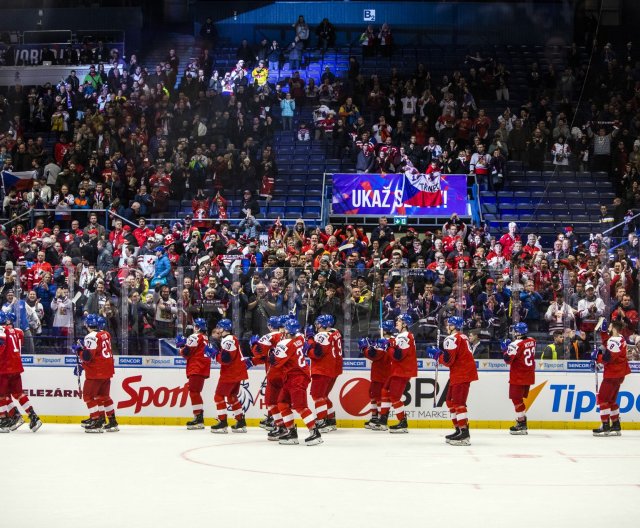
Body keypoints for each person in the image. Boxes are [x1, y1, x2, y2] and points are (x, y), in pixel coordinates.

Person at [269, 318, 323, 445]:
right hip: (292, 376)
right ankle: (291, 432)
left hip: (297, 377)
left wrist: (271, 353)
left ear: (287, 330)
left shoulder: (285, 343)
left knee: (300, 406)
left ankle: (314, 432)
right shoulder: (300, 338)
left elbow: (275, 363)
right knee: (282, 402)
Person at [426, 316, 478, 446]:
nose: (447, 326)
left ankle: (464, 434)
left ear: (455, 326)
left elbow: (449, 361)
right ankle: (458, 430)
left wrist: (437, 356)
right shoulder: (463, 337)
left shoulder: (451, 338)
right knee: (450, 401)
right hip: (459, 373)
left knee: (459, 403)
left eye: (449, 324)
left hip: (462, 374)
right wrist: (440, 354)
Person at [72, 314, 118, 433]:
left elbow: (87, 357)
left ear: (87, 324)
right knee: (103, 396)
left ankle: (96, 420)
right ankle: (111, 421)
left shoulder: (90, 336)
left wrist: (79, 350)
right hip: (107, 370)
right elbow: (98, 351)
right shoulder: (105, 334)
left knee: (88, 396)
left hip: (96, 372)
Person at [374, 313, 417, 433]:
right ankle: (383, 419)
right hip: (397, 370)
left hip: (402, 370)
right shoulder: (401, 336)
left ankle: (402, 422)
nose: (396, 323)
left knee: (394, 397)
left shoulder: (404, 336)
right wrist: (389, 345)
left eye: (399, 321)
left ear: (405, 324)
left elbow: (398, 356)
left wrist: (388, 347)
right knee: (385, 391)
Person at [0, 312, 42, 433]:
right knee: (18, 393)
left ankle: (4, 419)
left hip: (4, 368)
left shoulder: (2, 330)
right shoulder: (18, 331)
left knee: (1, 395)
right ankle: (32, 416)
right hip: (16, 366)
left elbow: (1, 347)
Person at [592, 320, 631, 436]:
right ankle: (615, 424)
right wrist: (603, 332)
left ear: (613, 328)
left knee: (603, 399)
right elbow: (607, 343)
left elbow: (609, 358)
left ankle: (605, 425)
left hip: (612, 374)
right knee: (611, 400)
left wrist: (597, 357)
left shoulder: (615, 341)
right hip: (618, 374)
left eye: (609, 327)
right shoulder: (620, 338)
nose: (608, 328)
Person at [247, 315, 285, 433]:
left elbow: (258, 353)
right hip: (286, 372)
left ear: (269, 326)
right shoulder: (287, 336)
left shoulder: (269, 336)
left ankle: (278, 423)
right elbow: (267, 356)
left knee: (271, 400)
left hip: (274, 372)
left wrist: (253, 345)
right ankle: (275, 420)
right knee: (281, 400)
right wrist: (253, 362)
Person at [210, 319, 248, 433]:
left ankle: (222, 423)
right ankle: (240, 422)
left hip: (230, 373)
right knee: (232, 397)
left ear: (223, 329)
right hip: (237, 372)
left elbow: (226, 359)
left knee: (218, 396)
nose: (217, 330)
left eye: (219, 328)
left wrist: (213, 354)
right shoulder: (231, 339)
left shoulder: (228, 339)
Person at [305, 314, 341, 433]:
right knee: (324, 396)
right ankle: (330, 419)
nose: (317, 325)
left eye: (319, 323)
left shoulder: (322, 335)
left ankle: (322, 421)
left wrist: (309, 340)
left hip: (322, 369)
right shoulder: (335, 332)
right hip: (333, 368)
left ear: (325, 324)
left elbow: (317, 354)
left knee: (317, 396)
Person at [175, 318, 212, 430]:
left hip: (196, 367)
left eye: (195, 326)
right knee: (195, 392)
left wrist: (181, 347)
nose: (194, 328)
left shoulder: (195, 337)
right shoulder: (205, 338)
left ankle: (198, 419)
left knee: (194, 392)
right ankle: (198, 417)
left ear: (198, 327)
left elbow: (186, 353)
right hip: (202, 368)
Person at [501, 322, 536, 435]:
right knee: (519, 399)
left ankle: (521, 423)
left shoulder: (515, 344)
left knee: (516, 399)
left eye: (515, 330)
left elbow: (507, 360)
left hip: (518, 376)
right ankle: (522, 421)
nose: (513, 332)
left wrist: (504, 349)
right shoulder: (532, 340)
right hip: (529, 374)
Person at [359, 320, 393, 429]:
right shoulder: (391, 340)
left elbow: (374, 355)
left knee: (378, 396)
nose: (379, 330)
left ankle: (380, 420)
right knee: (373, 394)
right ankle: (375, 418)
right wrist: (371, 346)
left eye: (380, 328)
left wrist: (364, 348)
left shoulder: (384, 341)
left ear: (384, 330)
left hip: (381, 373)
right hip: (382, 373)